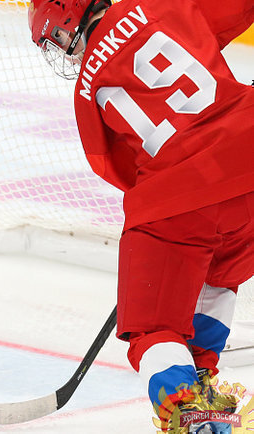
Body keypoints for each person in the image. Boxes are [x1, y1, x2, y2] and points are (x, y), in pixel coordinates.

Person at [28, 0, 254, 431]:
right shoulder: (162, 6)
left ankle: (189, 411)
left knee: (153, 329)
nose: (60, 48)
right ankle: (202, 380)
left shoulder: (85, 90)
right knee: (217, 276)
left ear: (66, 21)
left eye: (54, 37)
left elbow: (117, 169)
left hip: (179, 197)